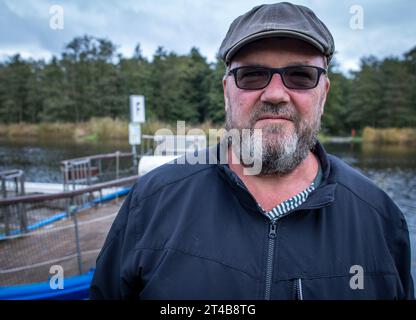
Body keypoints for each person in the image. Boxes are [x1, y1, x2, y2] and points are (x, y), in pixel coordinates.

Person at [90, 2, 414, 299]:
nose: (275, 94)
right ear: (226, 90)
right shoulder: (151, 201)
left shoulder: (379, 219)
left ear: (324, 93)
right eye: (252, 75)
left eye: (300, 76)